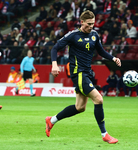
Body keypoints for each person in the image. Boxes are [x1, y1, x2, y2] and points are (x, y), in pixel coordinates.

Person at [46, 10, 121, 144]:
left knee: (80, 107)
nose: (91, 26)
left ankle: (51, 120)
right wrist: (54, 65)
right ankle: (105, 134)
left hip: (87, 73)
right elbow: (54, 48)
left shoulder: (94, 35)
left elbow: (101, 51)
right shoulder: (73, 35)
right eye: (88, 24)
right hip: (78, 73)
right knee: (98, 99)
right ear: (82, 22)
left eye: (93, 24)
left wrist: (113, 58)